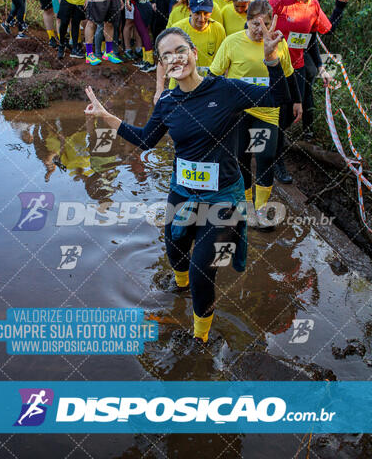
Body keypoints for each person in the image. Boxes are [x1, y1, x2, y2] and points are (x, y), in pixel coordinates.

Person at [84, 22, 290, 343]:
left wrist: (272, 60)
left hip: (222, 196)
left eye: (181, 50)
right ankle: (179, 289)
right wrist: (106, 116)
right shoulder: (167, 102)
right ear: (163, 66)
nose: (176, 58)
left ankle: (200, 339)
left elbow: (277, 97)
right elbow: (146, 140)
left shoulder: (225, 89)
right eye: (167, 56)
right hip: (182, 192)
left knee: (201, 268)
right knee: (174, 246)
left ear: (194, 54)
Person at [210, 0, 300, 228]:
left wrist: (297, 101)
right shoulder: (232, 42)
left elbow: (289, 75)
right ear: (246, 21)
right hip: (238, 111)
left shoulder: (279, 44)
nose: (260, 29)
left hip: (267, 111)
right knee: (240, 158)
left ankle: (261, 208)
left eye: (266, 24)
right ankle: (247, 205)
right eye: (255, 24)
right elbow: (214, 75)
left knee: (265, 157)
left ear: (273, 23)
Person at [268, 0, 341, 183]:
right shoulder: (277, 1)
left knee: (292, 114)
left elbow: (319, 34)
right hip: (274, 66)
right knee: (278, 114)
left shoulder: (313, 6)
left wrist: (321, 67)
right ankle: (275, 161)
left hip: (296, 65)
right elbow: (253, 24)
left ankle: (273, 144)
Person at [156, 0, 226, 99]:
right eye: (197, 13)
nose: (201, 19)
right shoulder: (177, 30)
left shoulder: (218, 30)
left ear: (212, 11)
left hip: (206, 90)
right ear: (189, 9)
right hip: (178, 89)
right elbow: (162, 61)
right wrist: (159, 89)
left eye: (205, 13)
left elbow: (223, 62)